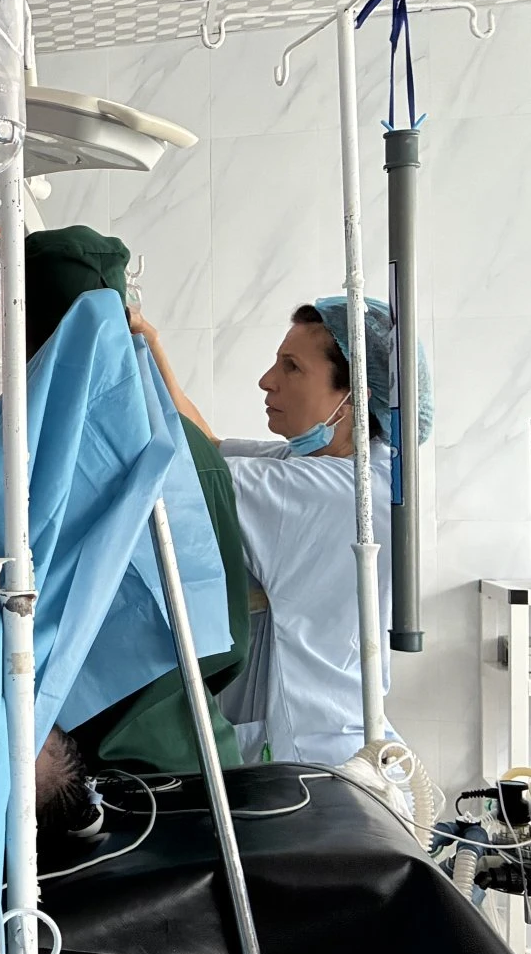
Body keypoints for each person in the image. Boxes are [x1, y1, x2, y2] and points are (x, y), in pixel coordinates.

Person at [20, 227, 265, 954]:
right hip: (211, 789)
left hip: (106, 814)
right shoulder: (185, 436)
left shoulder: (47, 451)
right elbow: (224, 630)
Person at [137, 297, 430, 768]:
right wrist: (150, 348)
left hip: (314, 759)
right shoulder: (346, 464)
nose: (267, 380)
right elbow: (207, 446)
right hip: (333, 740)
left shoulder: (336, 493)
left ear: (353, 398)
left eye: (292, 367)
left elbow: (191, 474)